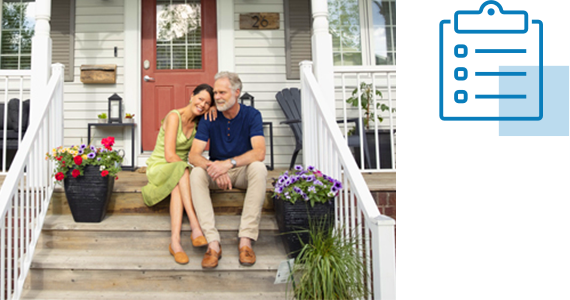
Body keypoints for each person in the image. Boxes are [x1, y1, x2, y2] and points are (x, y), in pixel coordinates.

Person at [188, 72, 267, 269]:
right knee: (196, 172)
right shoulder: (210, 117)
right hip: (216, 172)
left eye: (222, 92)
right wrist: (216, 168)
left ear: (237, 92)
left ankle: (246, 241)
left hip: (241, 171)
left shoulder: (252, 115)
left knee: (259, 168)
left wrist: (229, 164)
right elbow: (194, 155)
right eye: (215, 93)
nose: (217, 97)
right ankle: (213, 243)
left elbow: (259, 152)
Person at [142, 84, 216, 265]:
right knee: (182, 171)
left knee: (178, 183)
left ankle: (175, 243)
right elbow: (169, 155)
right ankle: (195, 225)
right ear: (191, 96)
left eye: (207, 103)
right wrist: (186, 167)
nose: (203, 105)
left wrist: (214, 108)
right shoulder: (174, 116)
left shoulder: (200, 122)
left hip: (178, 170)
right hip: (161, 165)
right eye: (200, 99)